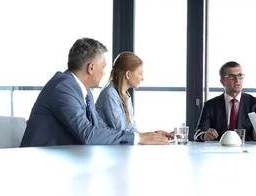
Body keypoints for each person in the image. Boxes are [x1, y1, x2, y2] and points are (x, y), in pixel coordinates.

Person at [20, 38, 168, 147]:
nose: (105, 73)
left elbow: (100, 128)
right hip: (39, 165)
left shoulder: (84, 92)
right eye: (103, 67)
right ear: (91, 68)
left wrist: (147, 136)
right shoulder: (64, 88)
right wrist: (138, 138)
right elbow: (88, 135)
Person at [95, 51, 173, 140]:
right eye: (140, 73)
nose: (143, 78)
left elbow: (130, 131)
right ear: (128, 74)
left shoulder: (125, 95)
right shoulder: (110, 94)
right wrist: (147, 137)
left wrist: (154, 135)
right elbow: (121, 132)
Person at [194, 61, 256, 142]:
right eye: (231, 76)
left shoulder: (255, 103)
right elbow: (198, 132)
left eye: (240, 76)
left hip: (246, 151)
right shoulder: (211, 105)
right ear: (222, 82)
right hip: (219, 151)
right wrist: (204, 136)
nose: (237, 80)